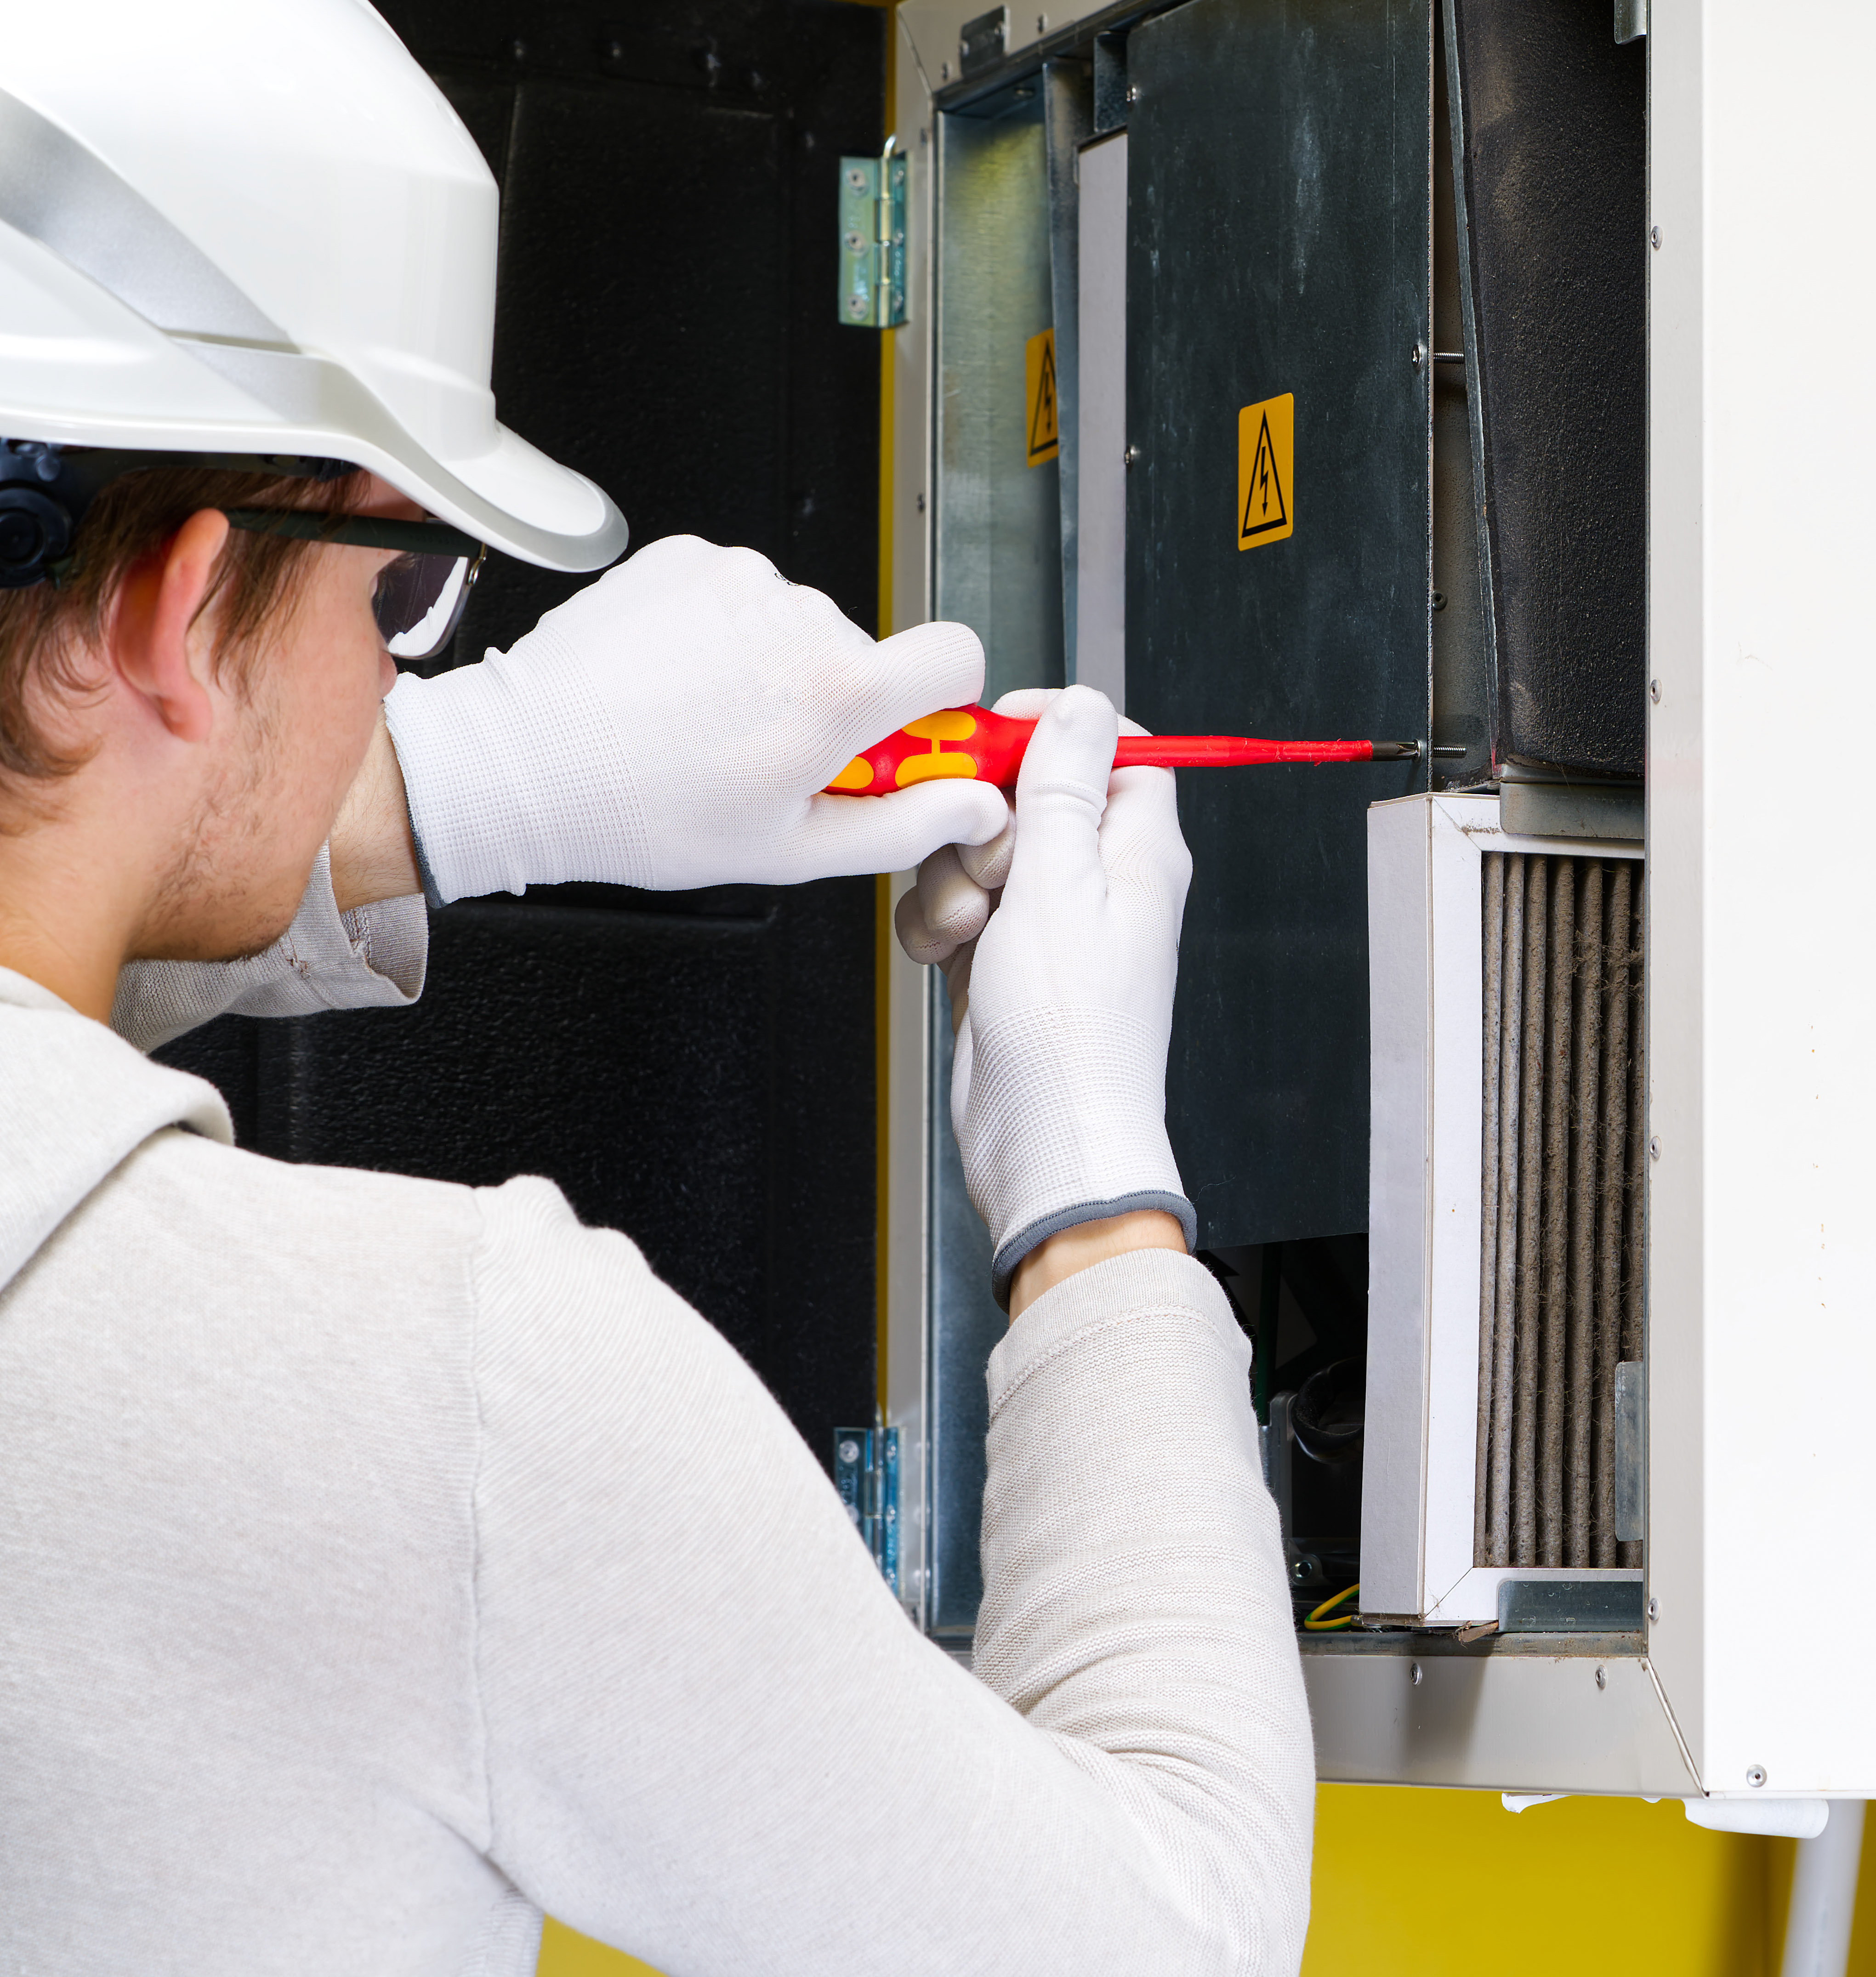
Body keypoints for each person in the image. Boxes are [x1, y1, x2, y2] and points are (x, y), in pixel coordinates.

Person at [0, 7, 1312, 1974]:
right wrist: (1092, 1208)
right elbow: (1174, 1936)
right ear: (187, 603)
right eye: (397, 599)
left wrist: (471, 780)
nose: (396, 674)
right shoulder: (444, 1402)